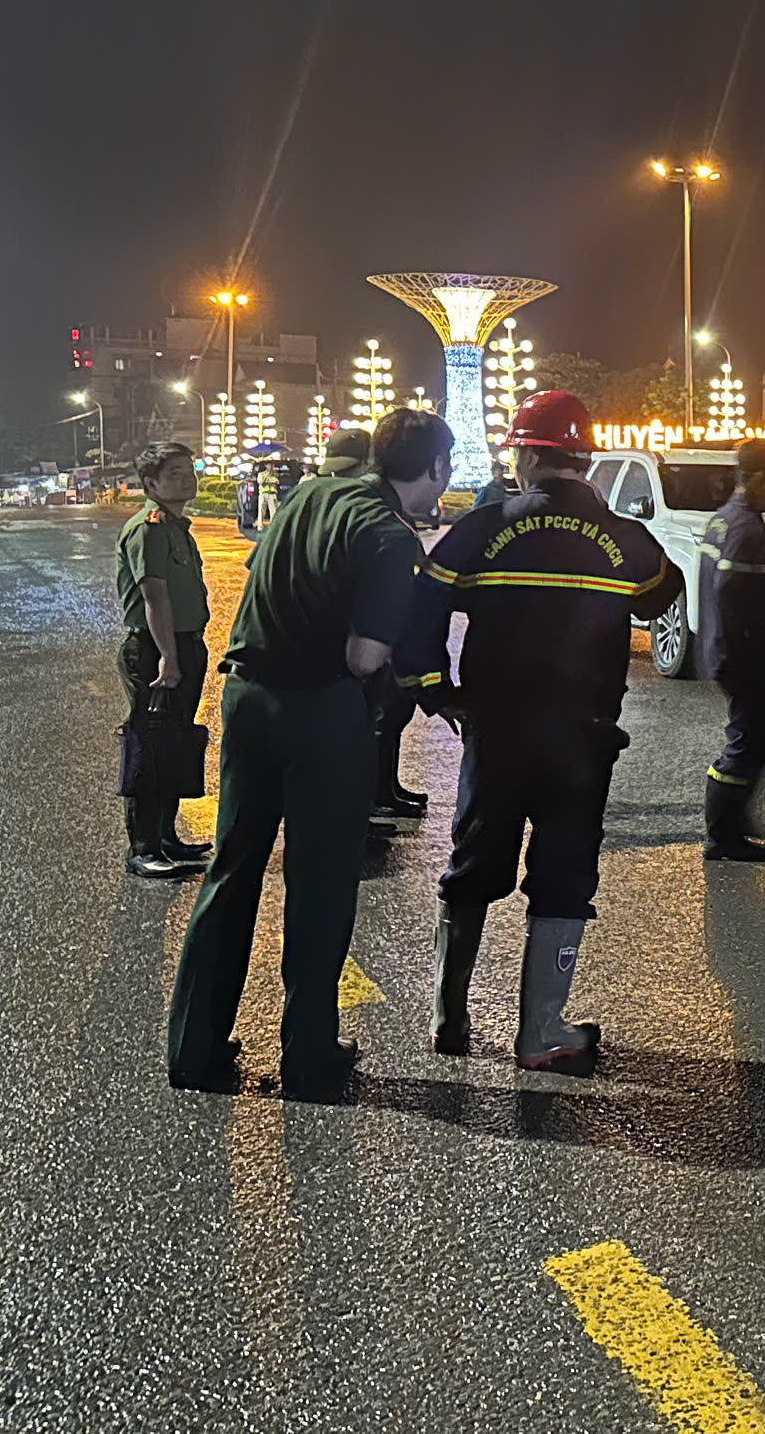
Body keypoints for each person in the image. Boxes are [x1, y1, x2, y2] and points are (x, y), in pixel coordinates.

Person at [165, 408, 451, 1098]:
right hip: (321, 710)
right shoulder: (389, 537)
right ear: (438, 468)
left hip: (248, 697)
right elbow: (363, 658)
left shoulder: (310, 495)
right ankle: (309, 1058)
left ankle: (194, 1050)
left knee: (232, 870)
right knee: (320, 883)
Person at [400, 390, 682, 1073]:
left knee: (472, 869)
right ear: (584, 460)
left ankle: (448, 1016)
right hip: (582, 741)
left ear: (526, 456)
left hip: (495, 732)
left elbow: (421, 605)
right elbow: (663, 594)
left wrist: (436, 690)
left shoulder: (483, 527)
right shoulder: (623, 538)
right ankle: (540, 1033)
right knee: (562, 880)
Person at [321, 426, 428, 827]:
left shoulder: (384, 507)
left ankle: (384, 789)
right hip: (361, 642)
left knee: (391, 716)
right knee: (369, 723)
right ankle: (367, 799)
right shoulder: (346, 509)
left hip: (382, 635)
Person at [114, 440, 211, 880]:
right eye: (175, 474)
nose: (187, 479)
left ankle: (168, 837)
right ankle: (143, 848)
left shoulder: (176, 527)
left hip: (183, 645)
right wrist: (169, 658)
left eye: (190, 471)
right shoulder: (149, 528)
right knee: (151, 746)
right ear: (150, 484)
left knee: (175, 742)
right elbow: (154, 598)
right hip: (156, 650)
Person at [698, 437, 765, 864]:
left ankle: (734, 817)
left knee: (761, 729)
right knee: (756, 734)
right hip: (742, 654)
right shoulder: (746, 527)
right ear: (756, 478)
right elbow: (734, 590)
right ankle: (723, 834)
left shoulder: (723, 519)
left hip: (724, 648)